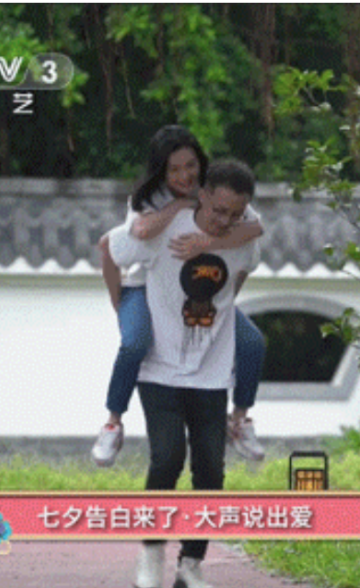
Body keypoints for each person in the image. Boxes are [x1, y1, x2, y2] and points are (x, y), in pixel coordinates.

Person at [108, 158, 259, 588]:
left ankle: (190, 565)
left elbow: (239, 277)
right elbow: (114, 251)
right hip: (159, 368)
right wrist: (127, 315)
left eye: (235, 214)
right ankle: (151, 553)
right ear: (202, 195)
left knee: (210, 469)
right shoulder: (165, 231)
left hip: (210, 374)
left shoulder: (243, 239)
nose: (224, 221)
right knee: (167, 457)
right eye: (218, 210)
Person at [93, 126, 267, 468]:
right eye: (174, 169)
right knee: (134, 343)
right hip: (144, 287)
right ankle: (112, 424)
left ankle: (239, 419)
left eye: (190, 165)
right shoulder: (150, 198)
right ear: (161, 171)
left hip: (193, 294)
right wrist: (119, 305)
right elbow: (134, 234)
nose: (184, 175)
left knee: (252, 343)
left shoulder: (218, 192)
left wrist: (211, 246)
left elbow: (255, 229)